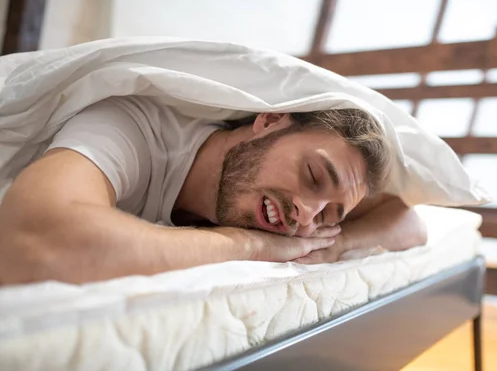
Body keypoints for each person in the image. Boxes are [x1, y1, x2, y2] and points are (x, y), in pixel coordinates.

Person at [0, 96, 427, 284]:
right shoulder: (131, 126)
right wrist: (246, 245)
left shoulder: (309, 208)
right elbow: (33, 242)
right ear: (270, 121)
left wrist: (337, 242)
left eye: (329, 214)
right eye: (313, 175)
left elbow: (411, 223)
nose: (306, 215)